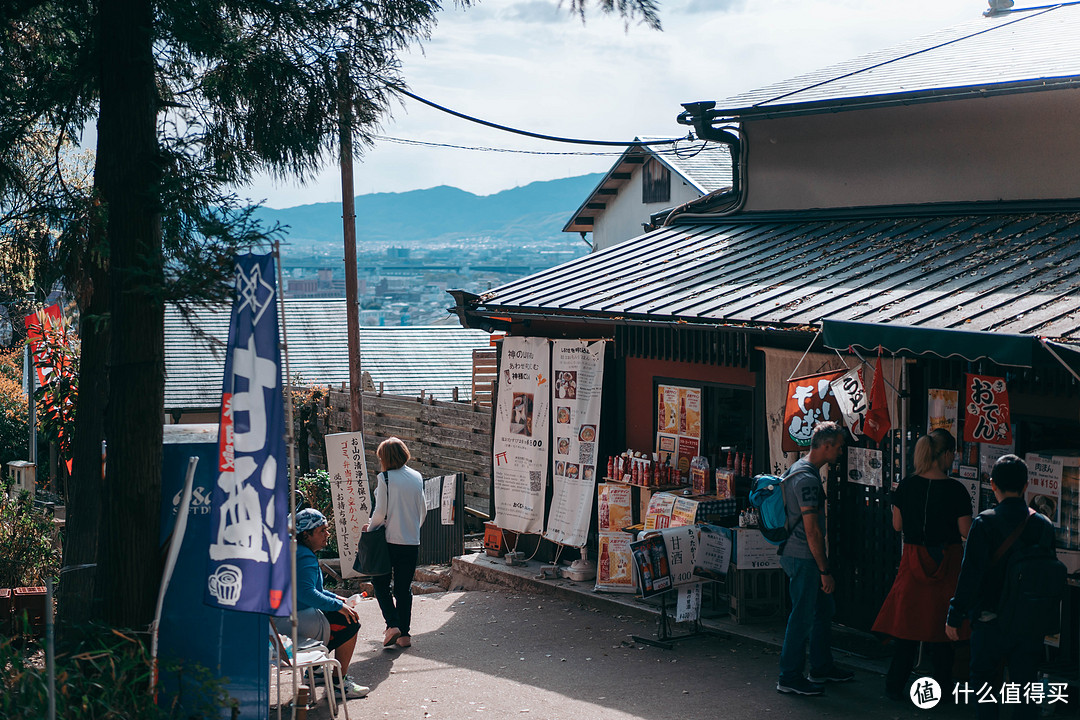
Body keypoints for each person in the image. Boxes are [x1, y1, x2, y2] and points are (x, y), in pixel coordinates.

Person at [946, 455, 1057, 720]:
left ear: (993, 484)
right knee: (1024, 686)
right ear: (1026, 485)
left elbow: (970, 573)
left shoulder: (984, 522)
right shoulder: (1043, 524)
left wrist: (955, 613)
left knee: (984, 684)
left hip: (990, 619)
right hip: (1029, 621)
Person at [872, 429, 972, 701]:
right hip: (947, 560)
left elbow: (897, 525)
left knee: (908, 628)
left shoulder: (906, 485)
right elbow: (966, 531)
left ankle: (894, 687)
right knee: (943, 629)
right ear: (948, 454)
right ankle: (944, 689)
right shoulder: (956, 490)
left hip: (914, 559)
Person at [776, 420, 855, 696]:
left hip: (798, 553)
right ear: (826, 446)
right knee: (802, 617)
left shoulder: (799, 470)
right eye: (839, 447)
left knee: (822, 612)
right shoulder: (807, 478)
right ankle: (789, 676)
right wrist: (825, 569)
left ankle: (821, 666)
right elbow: (812, 530)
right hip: (803, 557)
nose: (841, 452)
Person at [275, 508, 369, 699]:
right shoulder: (304, 556)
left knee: (338, 613)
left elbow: (312, 589)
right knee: (350, 622)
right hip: (291, 620)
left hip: (280, 618)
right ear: (306, 535)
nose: (327, 534)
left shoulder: (295, 551)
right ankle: (338, 682)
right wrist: (339, 606)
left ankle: (316, 671)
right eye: (322, 531)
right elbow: (306, 593)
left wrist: (337, 599)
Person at [364, 437, 427, 649]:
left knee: (380, 583)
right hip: (411, 540)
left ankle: (392, 625)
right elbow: (423, 511)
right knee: (403, 588)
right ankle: (405, 635)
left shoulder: (386, 478)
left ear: (385, 458)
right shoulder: (417, 477)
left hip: (388, 540)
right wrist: (411, 528)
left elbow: (380, 512)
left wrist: (370, 528)